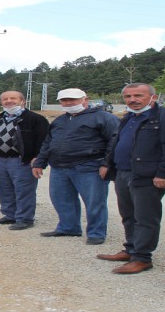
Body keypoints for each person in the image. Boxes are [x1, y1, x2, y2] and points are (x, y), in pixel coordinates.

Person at [96, 83, 165, 274]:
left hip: (147, 176)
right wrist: (108, 164)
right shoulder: (129, 117)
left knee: (146, 218)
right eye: (128, 97)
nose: (133, 100)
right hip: (123, 173)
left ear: (152, 97)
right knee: (128, 215)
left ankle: (143, 257)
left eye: (138, 95)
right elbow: (117, 142)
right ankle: (131, 249)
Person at [32, 88, 119, 245]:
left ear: (85, 99)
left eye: (73, 99)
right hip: (59, 167)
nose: (68, 103)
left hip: (89, 167)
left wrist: (107, 164)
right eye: (64, 100)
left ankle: (96, 233)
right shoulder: (59, 121)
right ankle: (68, 227)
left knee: (94, 202)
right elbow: (48, 143)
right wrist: (40, 162)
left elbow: (114, 142)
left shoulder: (104, 118)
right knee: (61, 199)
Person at [0, 91, 49, 230]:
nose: (8, 101)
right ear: (1, 102)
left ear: (22, 101)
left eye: (13, 98)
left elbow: (44, 141)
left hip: (21, 161)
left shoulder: (35, 119)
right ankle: (10, 215)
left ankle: (25, 219)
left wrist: (38, 159)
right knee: (3, 189)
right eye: (5, 99)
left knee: (23, 190)